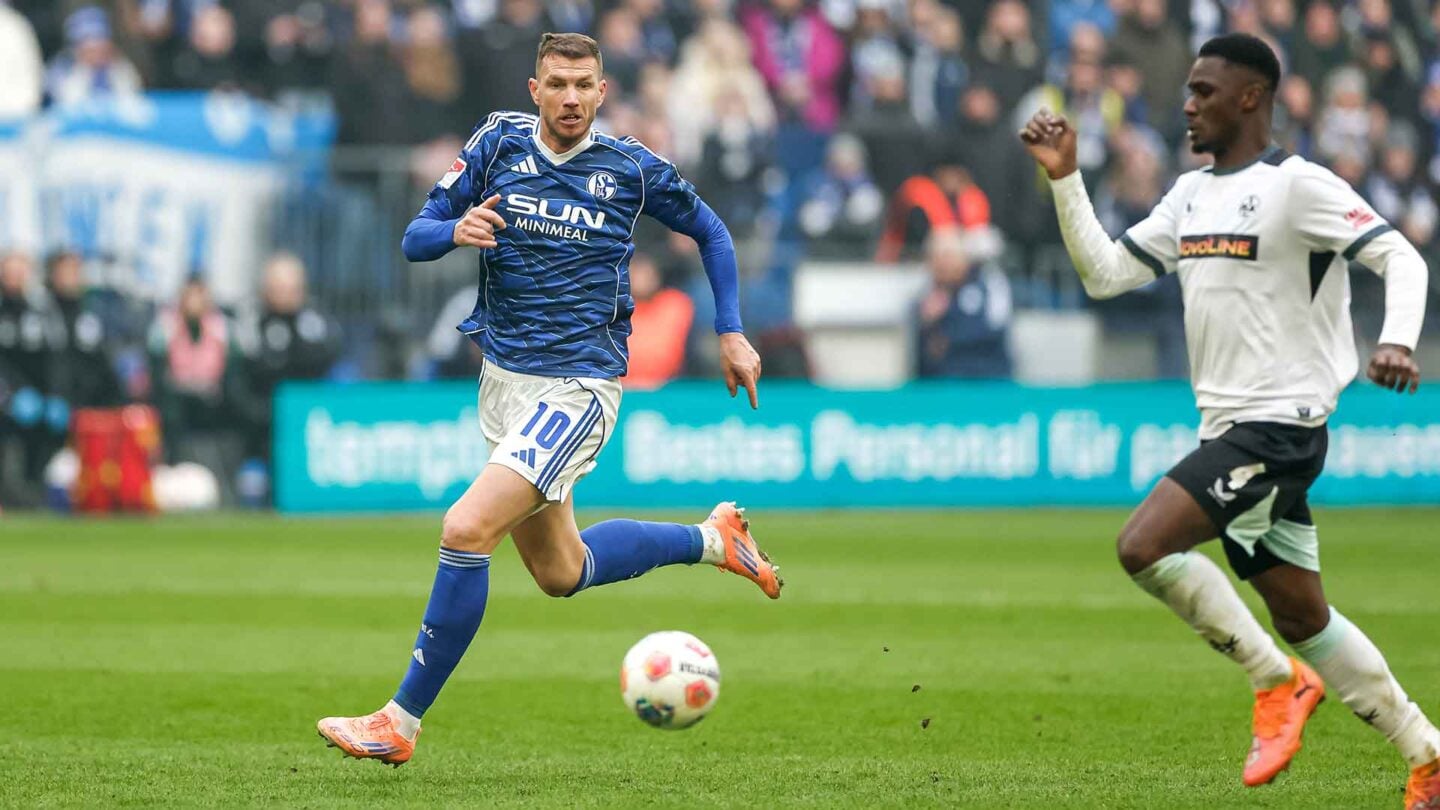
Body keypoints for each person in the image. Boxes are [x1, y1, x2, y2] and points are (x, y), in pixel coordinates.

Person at [317, 32, 779, 767]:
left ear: (602, 92)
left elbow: (712, 232)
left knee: (466, 528)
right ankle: (714, 540)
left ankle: (398, 722)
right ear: (535, 89)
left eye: (583, 85)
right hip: (506, 384)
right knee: (562, 572)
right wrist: (454, 230)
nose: (570, 98)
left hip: (580, 387)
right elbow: (414, 238)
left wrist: (730, 330)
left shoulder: (629, 167)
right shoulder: (497, 143)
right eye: (557, 84)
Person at [1020, 33, 1440, 808]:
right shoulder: (1190, 196)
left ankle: (1276, 680)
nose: (1188, 105)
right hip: (1229, 432)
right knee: (1304, 615)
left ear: (1251, 97)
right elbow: (1106, 275)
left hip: (1280, 427)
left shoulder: (1298, 187)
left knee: (1143, 545)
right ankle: (1428, 754)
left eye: (1204, 91)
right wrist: (1066, 179)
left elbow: (1402, 259)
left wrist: (1395, 342)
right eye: (1188, 90)